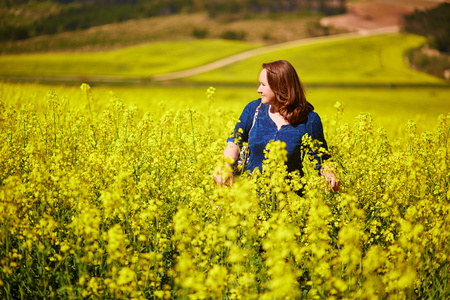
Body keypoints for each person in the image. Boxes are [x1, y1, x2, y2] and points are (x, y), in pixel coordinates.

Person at [214, 60, 339, 192]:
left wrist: (329, 174)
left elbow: (322, 159)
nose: (258, 90)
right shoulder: (253, 109)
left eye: (263, 85)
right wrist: (226, 164)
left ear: (280, 87)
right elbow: (235, 140)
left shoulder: (309, 120)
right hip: (250, 198)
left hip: (290, 201)